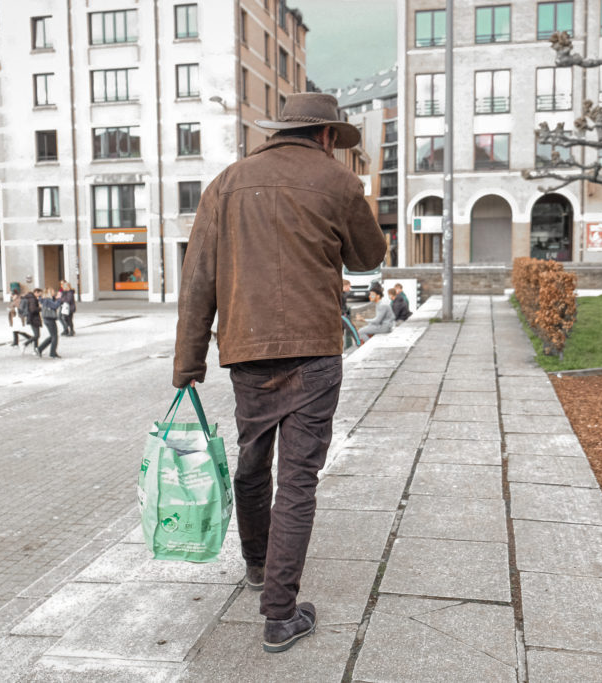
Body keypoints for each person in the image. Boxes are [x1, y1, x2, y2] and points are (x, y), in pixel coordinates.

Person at [173, 92, 386, 653]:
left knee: (252, 460)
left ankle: (257, 565)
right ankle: (280, 614)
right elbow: (368, 257)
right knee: (297, 481)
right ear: (325, 135)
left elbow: (198, 275)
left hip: (246, 349)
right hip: (314, 350)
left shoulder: (226, 182)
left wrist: (187, 360)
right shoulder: (340, 184)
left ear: (280, 131)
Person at [37, 288, 62, 358]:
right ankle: (52, 353)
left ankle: (40, 349)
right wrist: (59, 299)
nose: (54, 293)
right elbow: (55, 306)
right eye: (53, 291)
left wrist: (55, 298)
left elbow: (53, 303)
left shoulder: (45, 300)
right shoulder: (47, 300)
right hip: (50, 319)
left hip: (46, 319)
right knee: (55, 336)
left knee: (52, 336)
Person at [22, 288, 42, 353]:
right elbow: (33, 309)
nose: (39, 295)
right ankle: (25, 344)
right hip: (33, 318)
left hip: (31, 318)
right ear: (36, 292)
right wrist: (40, 308)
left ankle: (36, 349)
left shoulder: (30, 298)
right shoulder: (33, 299)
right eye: (39, 294)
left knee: (36, 335)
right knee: (37, 335)